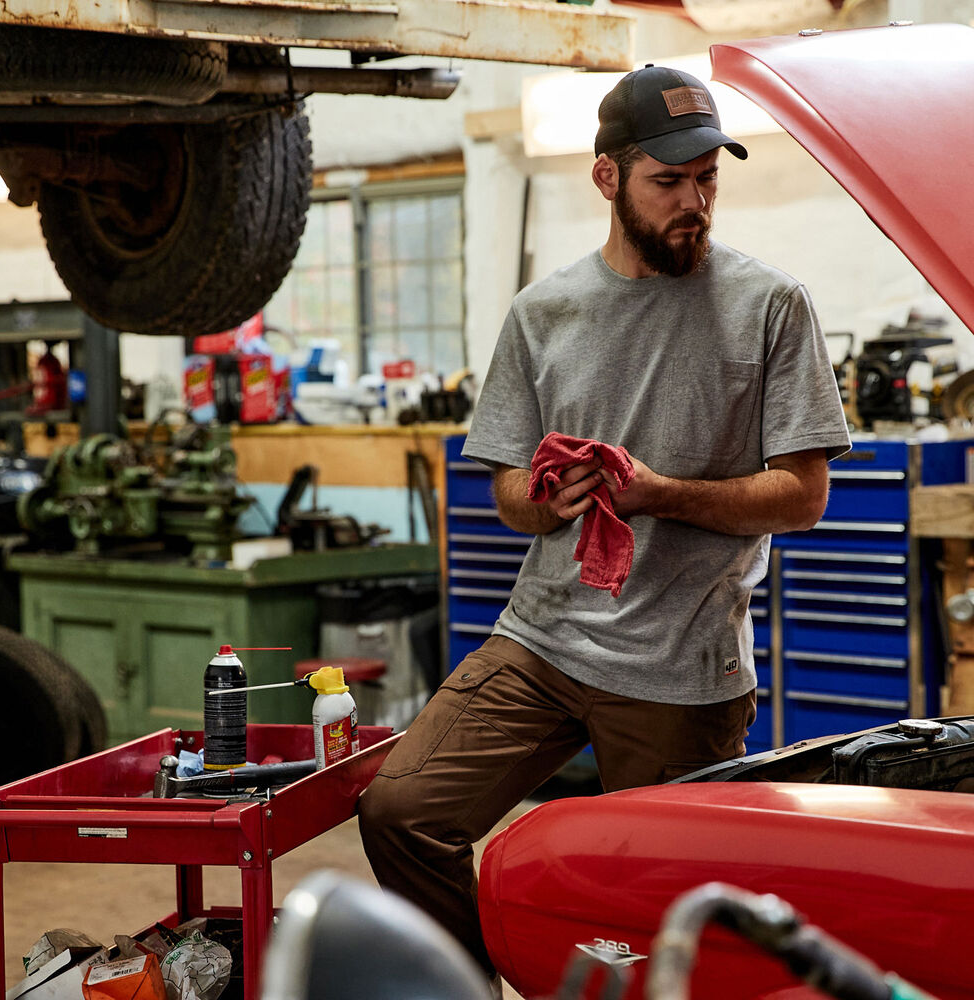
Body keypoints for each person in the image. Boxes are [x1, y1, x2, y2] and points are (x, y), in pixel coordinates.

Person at [358, 64, 851, 988]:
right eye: (670, 181)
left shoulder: (772, 306)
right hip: (540, 641)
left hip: (683, 664)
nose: (695, 202)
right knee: (400, 810)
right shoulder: (543, 315)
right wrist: (549, 500)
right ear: (607, 177)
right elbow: (507, 493)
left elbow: (802, 495)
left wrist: (660, 493)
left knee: (670, 909)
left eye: (709, 178)